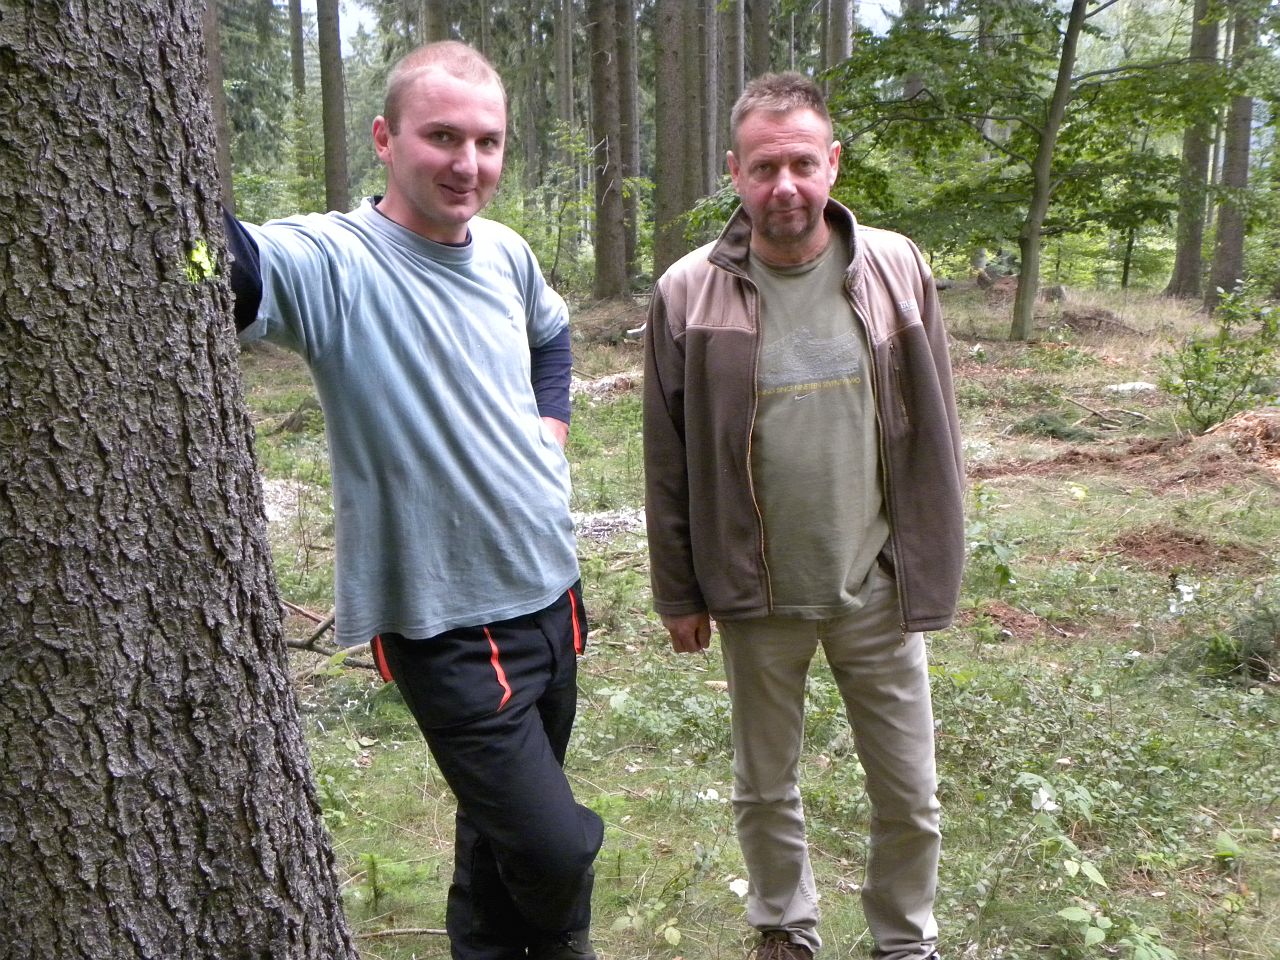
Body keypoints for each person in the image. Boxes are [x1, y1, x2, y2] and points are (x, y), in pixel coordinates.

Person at [223, 41, 602, 960]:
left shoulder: (506, 253)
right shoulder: (337, 262)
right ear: (385, 139)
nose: (468, 164)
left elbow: (551, 337)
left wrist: (549, 433)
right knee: (553, 847)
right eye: (442, 137)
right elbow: (228, 263)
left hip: (552, 593)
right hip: (447, 623)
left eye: (487, 142)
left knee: (494, 837)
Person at [642, 72, 964, 960]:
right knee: (763, 786)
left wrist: (932, 557)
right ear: (735, 173)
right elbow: (667, 459)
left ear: (832, 163)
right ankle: (785, 928)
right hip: (757, 590)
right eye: (763, 167)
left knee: (910, 795)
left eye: (801, 163)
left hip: (878, 584)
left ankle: (905, 941)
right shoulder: (687, 291)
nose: (784, 186)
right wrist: (679, 591)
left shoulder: (896, 269)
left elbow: (937, 425)